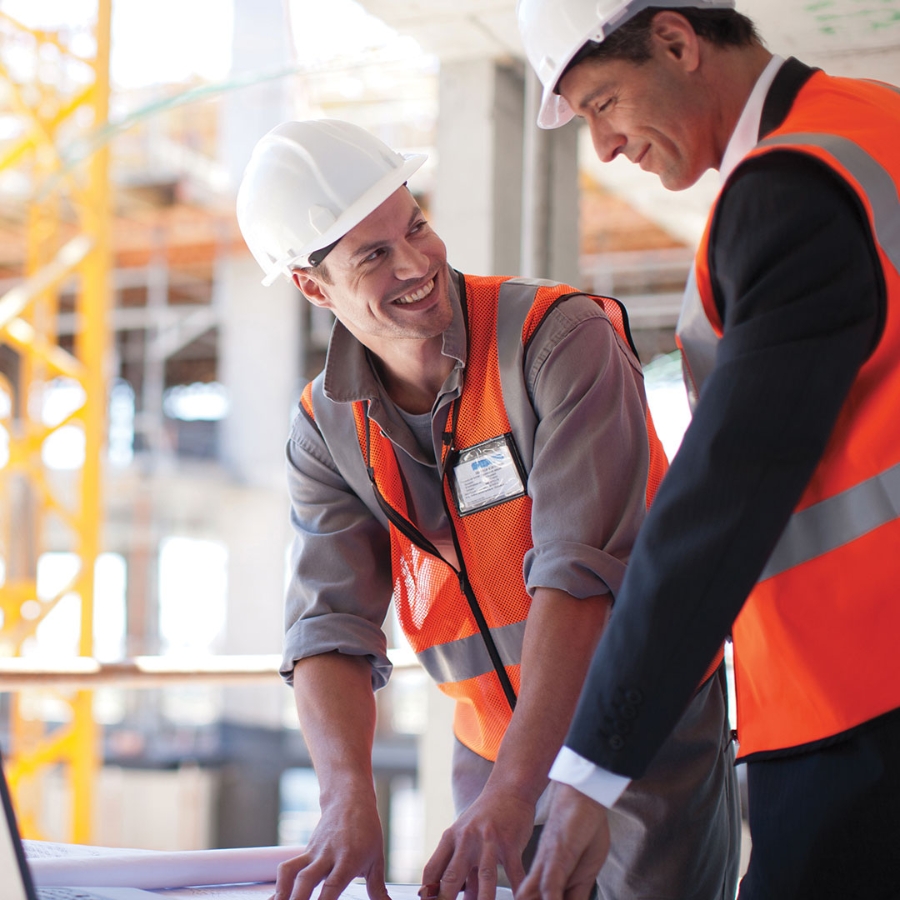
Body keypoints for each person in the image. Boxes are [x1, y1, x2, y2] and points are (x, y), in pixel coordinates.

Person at [235, 119, 740, 900]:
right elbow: (327, 627)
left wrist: (516, 793)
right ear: (312, 286)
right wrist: (347, 801)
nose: (415, 263)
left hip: (640, 736)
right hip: (492, 750)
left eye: (416, 226)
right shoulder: (327, 426)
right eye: (372, 255)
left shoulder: (557, 339)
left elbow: (580, 580)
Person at [515, 1, 900, 897]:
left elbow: (727, 489)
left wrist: (590, 769)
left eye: (604, 102)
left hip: (859, 711)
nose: (606, 147)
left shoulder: (790, 188)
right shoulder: (873, 121)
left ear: (678, 42)